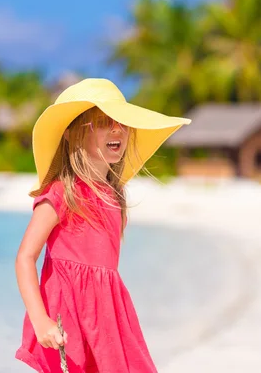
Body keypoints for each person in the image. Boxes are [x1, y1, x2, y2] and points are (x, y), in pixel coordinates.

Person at [14, 78, 191, 372]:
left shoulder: (114, 196)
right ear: (71, 134)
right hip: (68, 314)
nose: (117, 129)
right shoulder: (62, 192)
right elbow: (25, 257)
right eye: (102, 122)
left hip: (109, 315)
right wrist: (40, 319)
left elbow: (104, 270)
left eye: (121, 122)